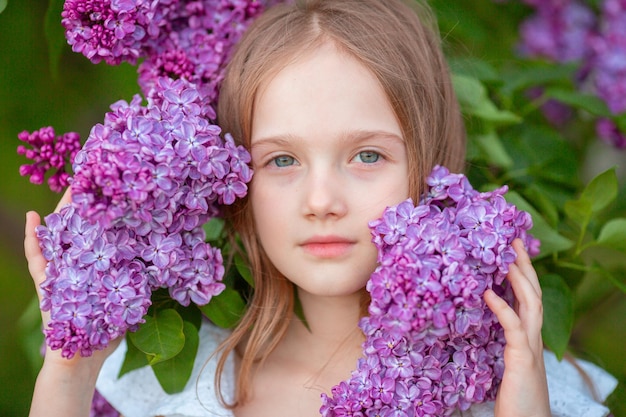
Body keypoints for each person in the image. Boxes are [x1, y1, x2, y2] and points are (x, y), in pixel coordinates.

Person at [25, 1, 615, 416]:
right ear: (233, 181)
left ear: (431, 164)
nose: (322, 202)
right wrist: (70, 373)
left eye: (365, 155)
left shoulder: (512, 390)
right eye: (281, 161)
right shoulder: (189, 393)